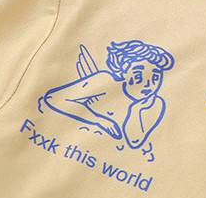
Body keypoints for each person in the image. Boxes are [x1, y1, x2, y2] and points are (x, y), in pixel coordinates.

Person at [38, 40, 175, 152]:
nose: (148, 83)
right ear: (123, 71)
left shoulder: (155, 104)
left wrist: (136, 109)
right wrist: (99, 120)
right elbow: (52, 98)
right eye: (138, 75)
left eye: (155, 77)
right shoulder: (105, 82)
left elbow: (134, 140)